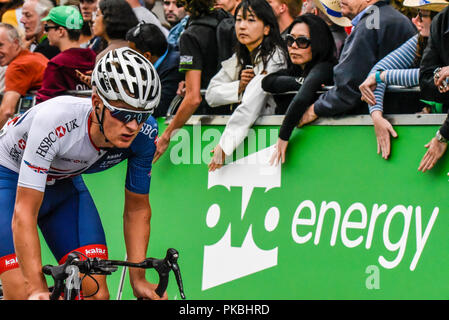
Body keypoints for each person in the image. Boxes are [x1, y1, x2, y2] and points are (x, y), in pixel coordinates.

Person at [0, 47, 165, 300]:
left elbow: (137, 209)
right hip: (8, 180)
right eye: (122, 114)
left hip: (64, 186)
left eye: (141, 116)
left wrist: (138, 279)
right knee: (23, 294)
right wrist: (35, 288)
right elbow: (24, 212)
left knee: (96, 294)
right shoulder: (56, 120)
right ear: (97, 103)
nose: (133, 126)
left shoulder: (144, 135)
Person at [297, 0, 416, 128]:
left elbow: (349, 87)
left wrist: (314, 109)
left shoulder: (370, 24)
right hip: (402, 121)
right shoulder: (395, 18)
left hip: (375, 126)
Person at [359, 0, 448, 160]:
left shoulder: (441, 29)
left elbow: (428, 77)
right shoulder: (419, 39)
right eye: (416, 14)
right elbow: (377, 71)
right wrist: (377, 116)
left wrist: (384, 76)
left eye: (422, 15)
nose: (415, 20)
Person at [206, 0, 288, 171]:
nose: (242, 26)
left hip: (273, 141)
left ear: (266, 28)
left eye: (251, 20)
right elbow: (211, 94)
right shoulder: (241, 56)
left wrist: (225, 145)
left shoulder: (276, 56)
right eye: (238, 20)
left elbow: (251, 103)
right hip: (252, 140)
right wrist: (240, 86)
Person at [152, 0, 233, 163]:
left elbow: (193, 98)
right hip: (237, 116)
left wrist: (166, 136)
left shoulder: (190, 35)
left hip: (210, 120)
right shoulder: (229, 21)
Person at [262, 14, 337, 165]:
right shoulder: (294, 70)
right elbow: (267, 82)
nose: (294, 46)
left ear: (318, 43)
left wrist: (283, 136)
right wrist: (303, 83)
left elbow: (302, 98)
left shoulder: (326, 67)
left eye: (302, 41)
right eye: (290, 40)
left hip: (321, 150)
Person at [35, 5, 96, 104]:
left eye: (47, 28)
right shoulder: (93, 56)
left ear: (60, 31)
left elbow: (43, 103)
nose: (45, 33)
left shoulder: (57, 64)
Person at [126, 22, 184, 118]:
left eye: (131, 54)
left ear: (147, 56)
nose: (128, 58)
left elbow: (160, 108)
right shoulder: (163, 56)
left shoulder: (173, 67)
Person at [418, 5, 449, 172]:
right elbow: (425, 79)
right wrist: (441, 78)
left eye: (422, 15)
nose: (417, 20)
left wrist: (443, 135)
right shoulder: (442, 21)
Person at [0, 23, 48, 129]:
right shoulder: (36, 57)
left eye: (0, 45)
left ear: (16, 43)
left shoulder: (17, 66)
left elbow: (7, 111)